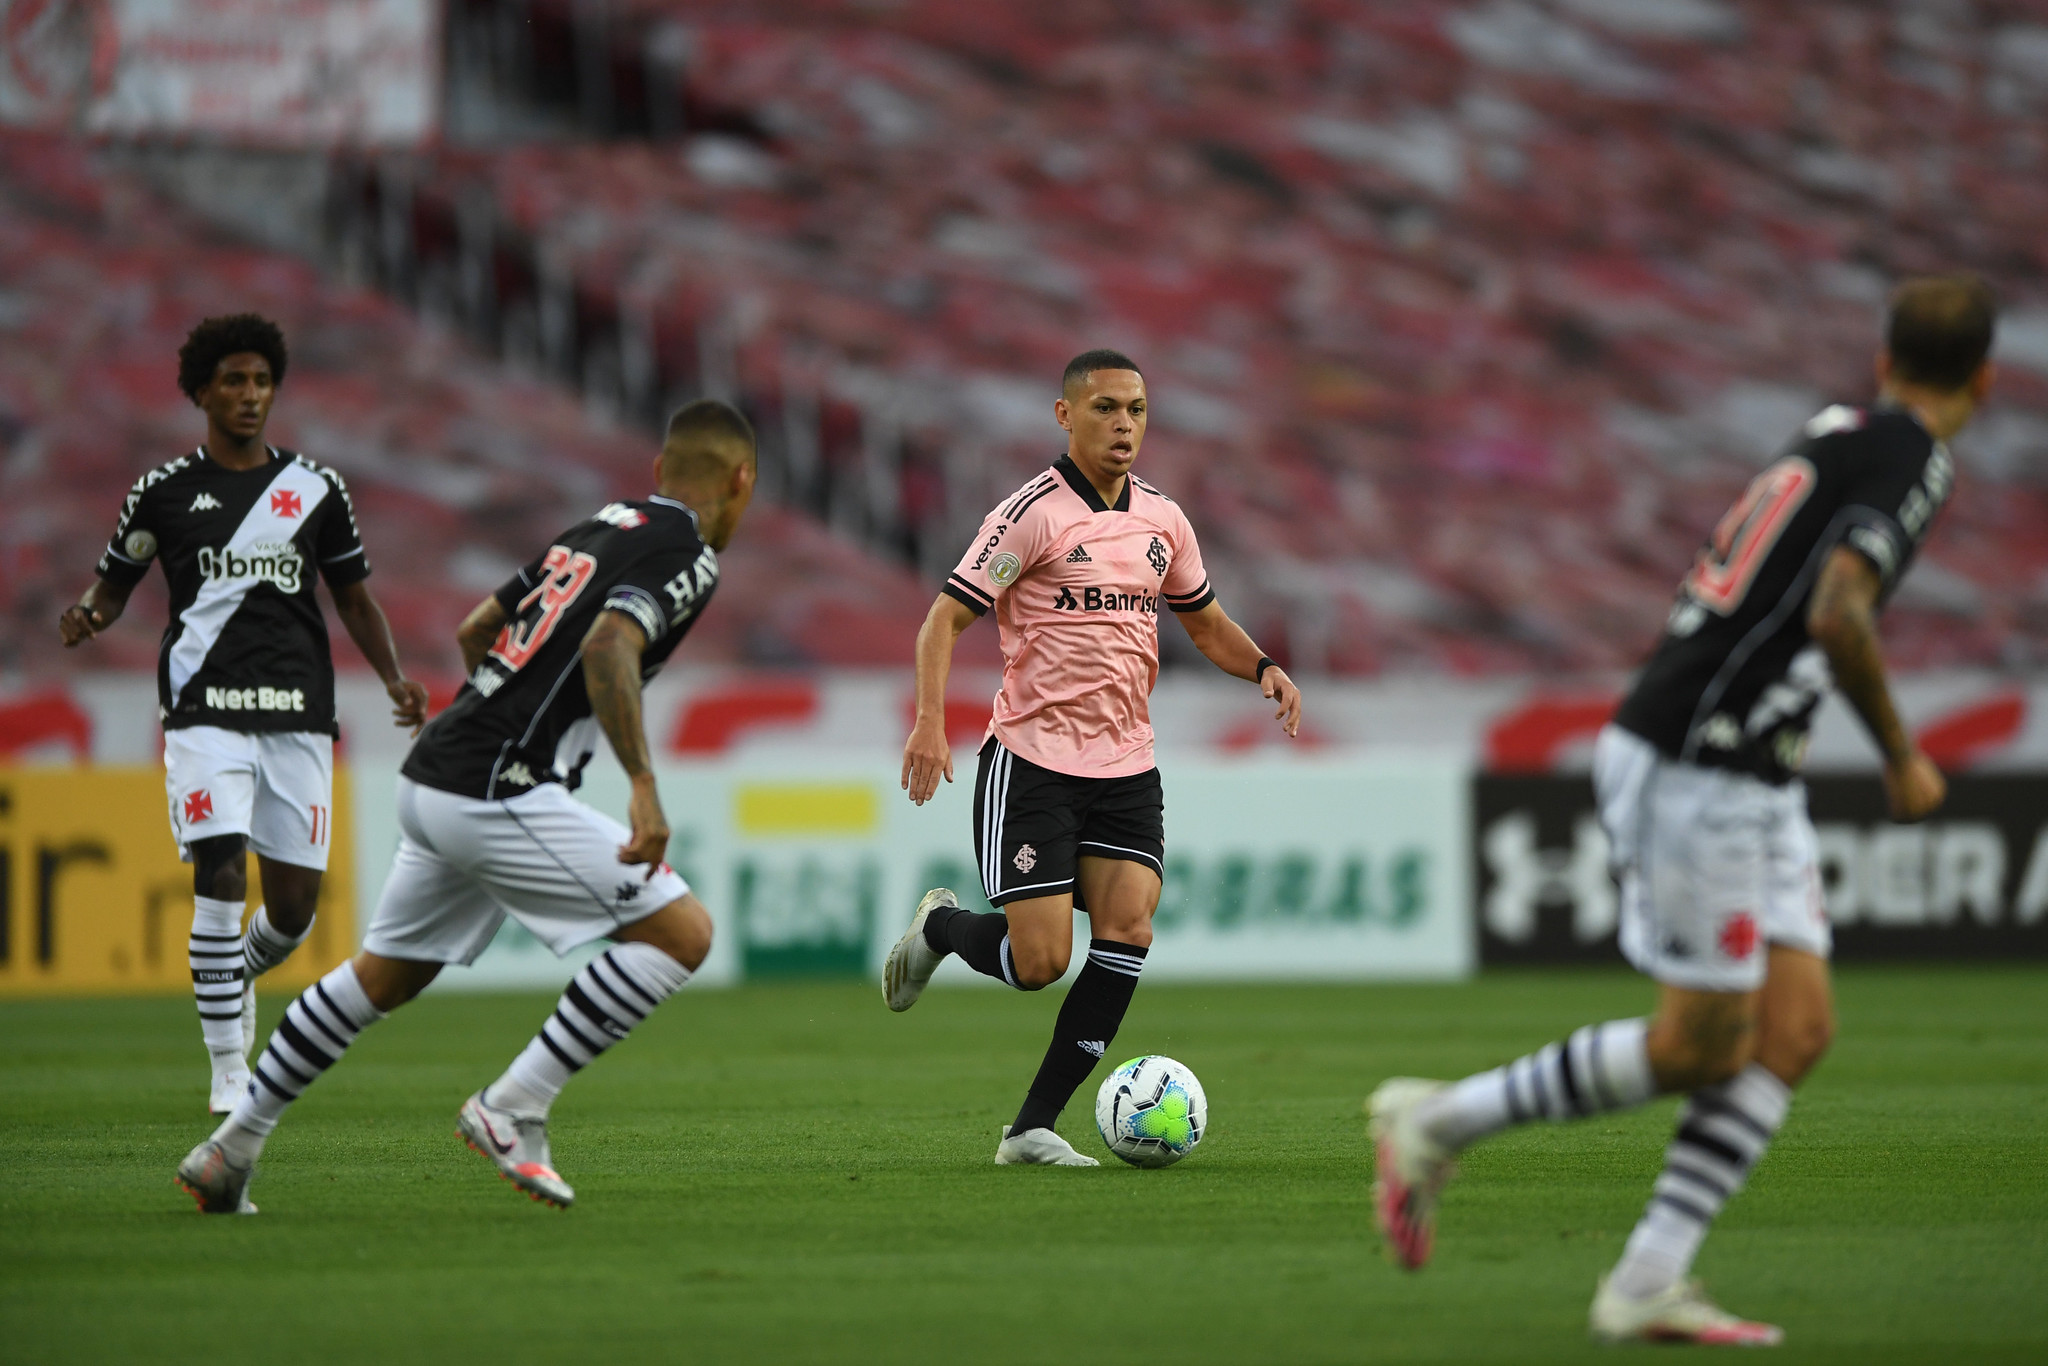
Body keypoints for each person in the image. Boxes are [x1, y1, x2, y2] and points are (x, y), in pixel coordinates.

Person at [1369, 275, 1997, 1344]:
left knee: (1793, 1029)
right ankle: (1433, 1120)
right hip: (1694, 758)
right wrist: (1899, 754)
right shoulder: (1909, 459)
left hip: (1746, 765)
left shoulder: (1833, 429)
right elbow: (1839, 609)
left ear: (1882, 356)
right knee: (1701, 1043)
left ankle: (1646, 1278)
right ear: (1983, 379)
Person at [175, 399, 757, 1213]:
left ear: (659, 471)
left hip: (438, 768)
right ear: (742, 480)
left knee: (385, 976)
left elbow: (478, 625)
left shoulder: (600, 526)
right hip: (495, 784)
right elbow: (608, 645)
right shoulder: (688, 551)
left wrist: (502, 708)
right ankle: (514, 1106)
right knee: (682, 933)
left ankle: (229, 1148)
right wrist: (642, 787)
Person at [885, 349, 1304, 1166]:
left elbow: (1205, 620)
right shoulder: (1032, 515)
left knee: (1128, 928)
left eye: (1137, 410)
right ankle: (939, 926)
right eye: (1106, 408)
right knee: (1039, 962)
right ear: (1065, 415)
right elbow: (943, 621)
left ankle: (1031, 1130)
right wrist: (930, 722)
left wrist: (1263, 665)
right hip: (1034, 762)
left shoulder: (1162, 521)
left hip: (1127, 767)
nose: (1123, 425)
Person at [58, 314, 428, 1115]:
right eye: (233, 380)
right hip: (201, 710)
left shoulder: (316, 490)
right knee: (219, 870)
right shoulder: (160, 494)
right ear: (201, 391)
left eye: (261, 380)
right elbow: (115, 586)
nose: (250, 395)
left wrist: (396, 678)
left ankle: (227, 974)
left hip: (297, 712)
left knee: (293, 915)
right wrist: (89, 613)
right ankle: (231, 1070)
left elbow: (355, 599)